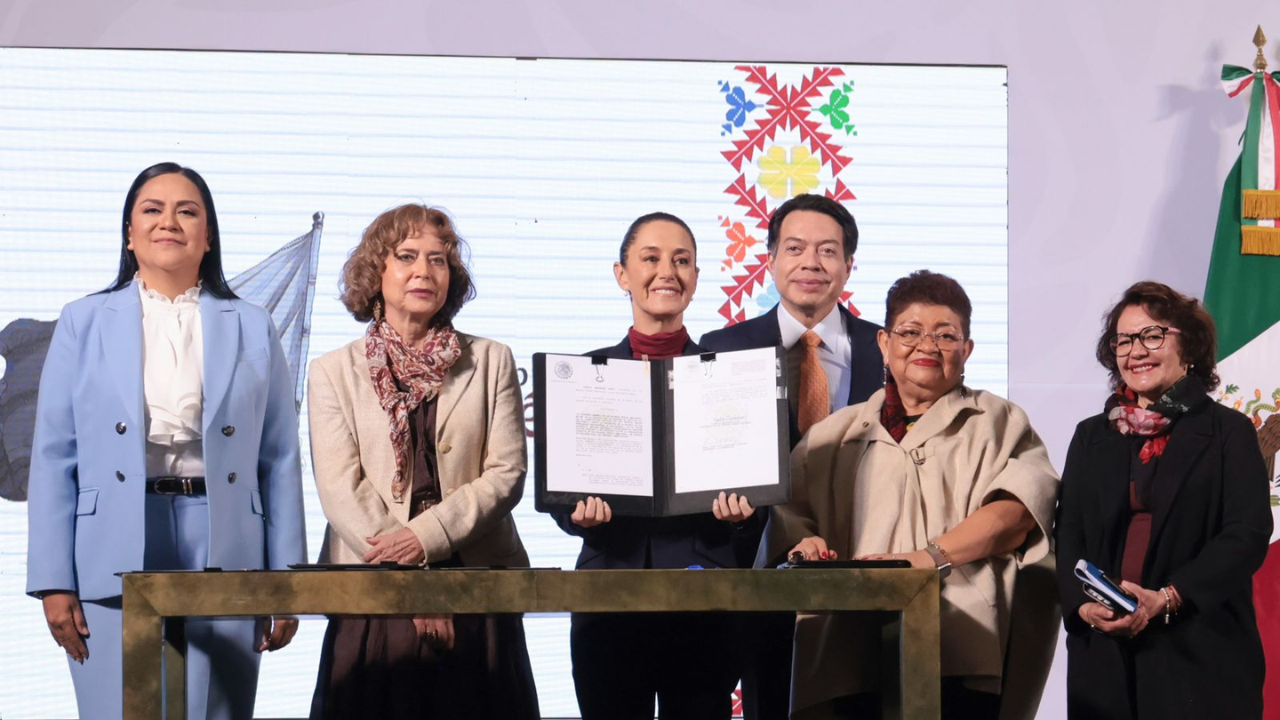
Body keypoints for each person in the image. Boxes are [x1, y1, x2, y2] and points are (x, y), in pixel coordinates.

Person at [26, 162, 307, 720]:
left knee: (215, 713)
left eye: (188, 211)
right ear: (129, 235)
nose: (169, 222)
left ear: (208, 237)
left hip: (227, 538)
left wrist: (288, 580)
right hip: (109, 542)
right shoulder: (81, 322)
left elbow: (279, 457)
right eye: (152, 210)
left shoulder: (253, 325)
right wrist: (53, 580)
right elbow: (55, 456)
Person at [763, 270, 1059, 720]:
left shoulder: (998, 421)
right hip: (847, 647)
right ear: (883, 343)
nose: (927, 345)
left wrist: (929, 557)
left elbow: (1018, 511)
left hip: (959, 643)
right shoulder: (833, 436)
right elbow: (791, 514)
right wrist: (803, 542)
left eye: (946, 335)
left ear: (967, 349)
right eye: (910, 332)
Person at [307, 203, 539, 719]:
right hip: (374, 590)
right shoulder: (332, 372)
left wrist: (426, 542)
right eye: (406, 257)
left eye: (438, 260)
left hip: (475, 585)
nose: (423, 271)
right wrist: (412, 579)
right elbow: (340, 489)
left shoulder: (490, 359)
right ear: (376, 272)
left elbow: (506, 474)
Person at [553, 212, 751, 720]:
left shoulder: (729, 382)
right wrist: (577, 515)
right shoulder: (582, 375)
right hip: (608, 599)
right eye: (651, 258)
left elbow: (759, 499)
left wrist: (742, 514)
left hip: (704, 600)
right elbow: (560, 494)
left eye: (682, 260)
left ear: (697, 280)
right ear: (622, 275)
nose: (668, 271)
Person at [698, 193, 883, 719]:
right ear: (771, 258)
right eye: (795, 247)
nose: (811, 263)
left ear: (848, 265)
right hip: (755, 568)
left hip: (863, 565)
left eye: (828, 251)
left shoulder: (887, 349)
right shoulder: (721, 347)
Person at [1055, 281, 1271, 719]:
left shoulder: (1229, 432)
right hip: (1106, 656)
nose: (1136, 351)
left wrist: (1170, 597)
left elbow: (1247, 533)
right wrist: (1082, 606)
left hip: (1200, 648)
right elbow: (1069, 532)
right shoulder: (1091, 435)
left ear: (1187, 344)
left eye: (1152, 335)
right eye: (1124, 340)